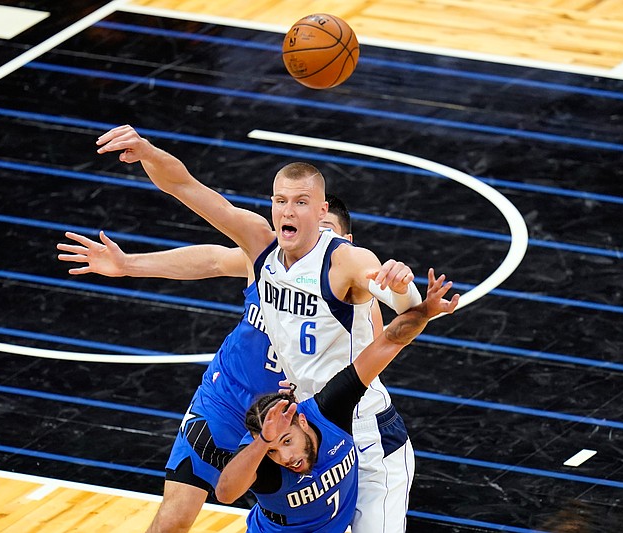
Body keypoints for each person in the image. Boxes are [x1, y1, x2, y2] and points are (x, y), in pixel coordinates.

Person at [96, 124, 427, 532]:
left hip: (338, 424)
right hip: (270, 410)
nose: (290, 212)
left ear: (325, 217)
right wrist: (147, 155)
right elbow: (193, 203)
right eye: (282, 201)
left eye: (303, 203)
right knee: (190, 514)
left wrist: (403, 291)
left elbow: (397, 315)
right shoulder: (263, 251)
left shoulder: (347, 268)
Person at [56, 196, 370, 532]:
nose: (314, 242)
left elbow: (375, 357)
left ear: (346, 245)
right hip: (227, 400)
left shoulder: (353, 297)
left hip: (291, 423)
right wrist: (128, 265)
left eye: (325, 234)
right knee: (173, 522)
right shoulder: (272, 263)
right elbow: (215, 261)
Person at [214, 269, 459, 532]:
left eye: (287, 441)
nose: (285, 457)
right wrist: (264, 444)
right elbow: (225, 494)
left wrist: (424, 312)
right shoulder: (260, 454)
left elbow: (389, 340)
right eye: (273, 450)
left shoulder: (328, 409)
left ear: (303, 421)